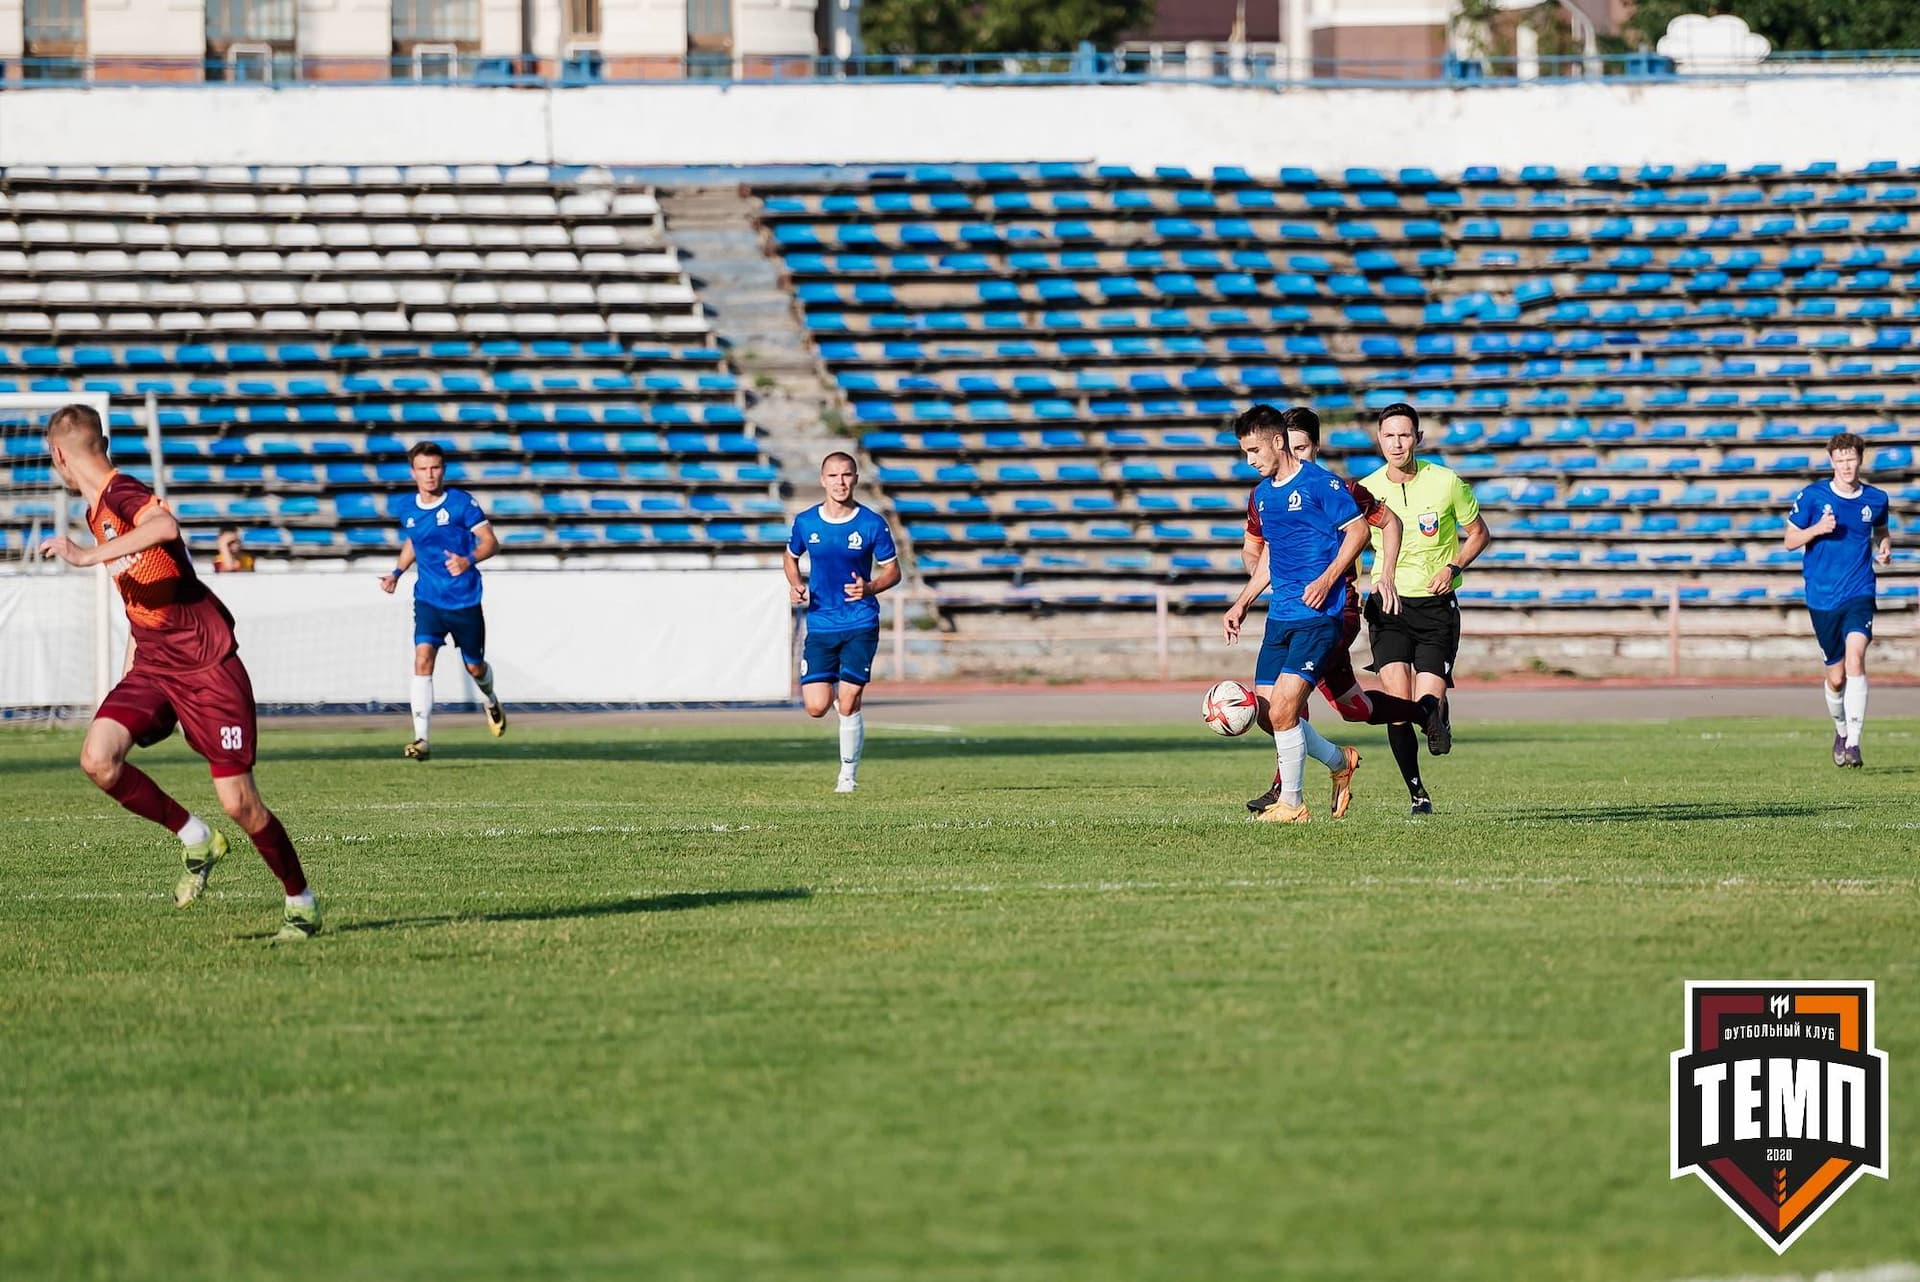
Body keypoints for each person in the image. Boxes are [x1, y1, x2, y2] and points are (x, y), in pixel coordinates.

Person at [36, 403, 319, 943]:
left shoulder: (121, 494)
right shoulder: (98, 510)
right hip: (154, 664)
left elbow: (165, 525)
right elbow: (140, 597)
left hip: (206, 664)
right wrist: (127, 674)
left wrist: (85, 557)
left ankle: (301, 902)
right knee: (98, 758)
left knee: (240, 801)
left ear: (59, 456)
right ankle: (196, 838)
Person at [1222, 404, 1440, 823]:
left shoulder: (1325, 485)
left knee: (1287, 706)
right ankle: (1340, 760)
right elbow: (1268, 554)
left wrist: (1329, 580)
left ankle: (1291, 801)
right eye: (1245, 452)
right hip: (1279, 618)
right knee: (1272, 714)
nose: (1249, 461)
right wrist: (1243, 601)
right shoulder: (1262, 495)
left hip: (1323, 616)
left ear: (1278, 442)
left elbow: (1361, 530)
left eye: (1253, 450)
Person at [1360, 403, 1493, 815]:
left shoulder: (1447, 482)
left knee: (1425, 706)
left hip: (1436, 607)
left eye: (1404, 435)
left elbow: (1479, 534)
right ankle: (1418, 794)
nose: (1396, 443)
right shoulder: (1365, 490)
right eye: (1388, 435)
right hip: (1388, 606)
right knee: (1397, 706)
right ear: (1378, 440)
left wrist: (1453, 566)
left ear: (1418, 438)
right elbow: (1352, 545)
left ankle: (1439, 717)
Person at [378, 441, 506, 760]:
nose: (429, 475)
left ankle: (490, 700)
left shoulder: (462, 504)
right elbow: (414, 541)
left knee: (475, 667)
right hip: (429, 599)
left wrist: (467, 559)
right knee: (423, 659)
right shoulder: (407, 508)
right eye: (423, 469)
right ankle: (422, 739)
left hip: (464, 600)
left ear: (443, 469)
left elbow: (491, 542)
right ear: (413, 472)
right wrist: (396, 572)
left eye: (435, 467)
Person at [784, 452, 901, 792]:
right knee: (816, 707)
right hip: (821, 622)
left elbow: (893, 570)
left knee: (849, 702)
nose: (840, 482)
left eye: (846, 475)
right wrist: (795, 585)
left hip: (860, 622)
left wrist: (871, 586)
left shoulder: (871, 523)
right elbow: (790, 557)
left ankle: (847, 776)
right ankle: (839, 695)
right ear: (823, 480)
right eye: (833, 476)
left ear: (855, 479)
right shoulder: (806, 522)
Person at [1785, 431, 1891, 768]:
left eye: (1851, 458)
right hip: (1821, 595)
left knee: (1856, 657)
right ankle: (1842, 731)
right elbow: (1789, 540)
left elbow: (1881, 530)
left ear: (1860, 459)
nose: (1846, 465)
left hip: (1860, 590)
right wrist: (1816, 529)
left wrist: (1884, 546)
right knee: (1836, 677)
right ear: (1832, 462)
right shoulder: (1813, 496)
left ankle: (1856, 744)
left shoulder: (1876, 499)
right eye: (1840, 459)